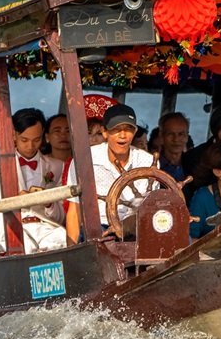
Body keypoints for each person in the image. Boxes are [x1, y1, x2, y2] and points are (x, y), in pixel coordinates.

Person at [0, 108, 67, 255]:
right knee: (23, 247)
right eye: (24, 140)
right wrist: (14, 200)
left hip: (44, 226)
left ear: (44, 137)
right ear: (13, 135)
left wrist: (48, 202)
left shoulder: (57, 166)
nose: (30, 146)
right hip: (7, 225)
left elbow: (63, 214)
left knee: (63, 240)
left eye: (36, 140)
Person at [64, 103, 155, 241]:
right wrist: (72, 254)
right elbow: (74, 210)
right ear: (105, 132)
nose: (123, 135)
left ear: (135, 132)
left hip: (135, 230)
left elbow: (151, 207)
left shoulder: (148, 162)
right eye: (116, 129)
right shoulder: (84, 160)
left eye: (128, 129)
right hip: (96, 229)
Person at [156, 111, 193, 182]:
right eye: (170, 134)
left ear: (187, 137)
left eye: (181, 134)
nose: (176, 139)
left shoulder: (194, 165)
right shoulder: (152, 165)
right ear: (161, 136)